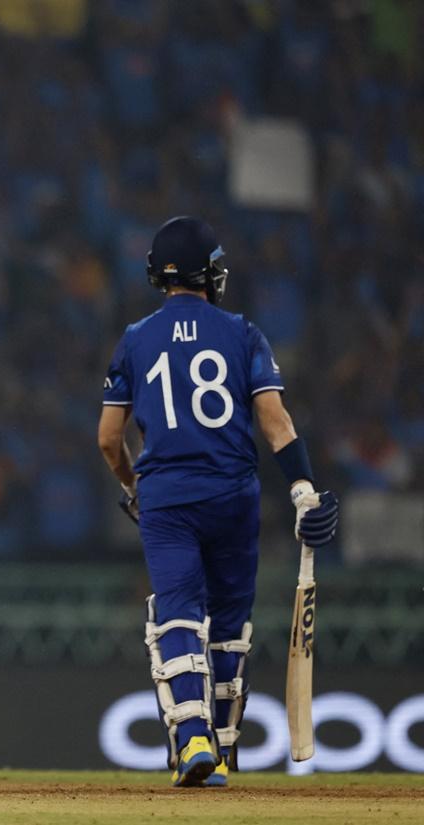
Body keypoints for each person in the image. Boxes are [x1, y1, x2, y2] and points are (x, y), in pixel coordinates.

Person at [97, 216, 339, 787]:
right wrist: (303, 490)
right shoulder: (243, 333)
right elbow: (275, 423)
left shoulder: (135, 338)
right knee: (229, 624)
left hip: (167, 500)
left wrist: (134, 486)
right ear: (208, 272)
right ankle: (226, 749)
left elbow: (109, 438)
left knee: (178, 611)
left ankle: (194, 740)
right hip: (234, 495)